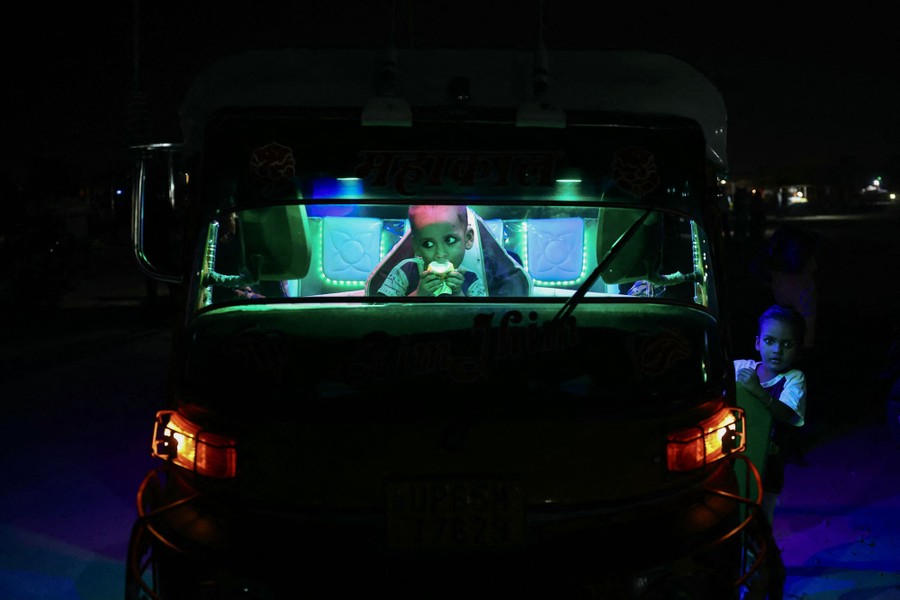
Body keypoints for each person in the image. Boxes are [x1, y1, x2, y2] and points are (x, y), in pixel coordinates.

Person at [734, 304, 807, 527]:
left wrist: (757, 390)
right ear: (758, 343)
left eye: (787, 344)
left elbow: (786, 413)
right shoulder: (741, 367)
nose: (777, 350)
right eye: (770, 341)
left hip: (770, 461)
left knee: (763, 514)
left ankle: (761, 545)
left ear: (798, 349)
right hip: (737, 454)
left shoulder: (793, 378)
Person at [375, 205, 487, 297]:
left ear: (468, 238)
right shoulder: (404, 272)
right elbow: (382, 313)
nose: (440, 254)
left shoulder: (472, 281)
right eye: (428, 244)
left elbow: (481, 315)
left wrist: (458, 295)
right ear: (416, 246)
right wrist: (418, 295)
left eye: (450, 240)